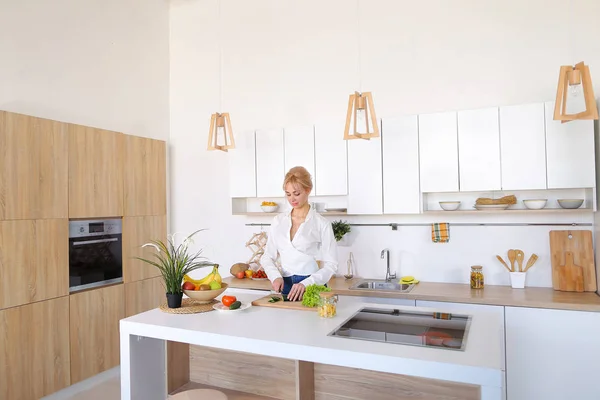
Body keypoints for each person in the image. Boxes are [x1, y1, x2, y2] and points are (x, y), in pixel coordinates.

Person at [260, 166, 338, 301]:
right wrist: (275, 276)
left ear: (308, 190)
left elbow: (332, 264)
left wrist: (306, 283)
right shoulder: (278, 221)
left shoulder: (321, 224)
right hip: (285, 285)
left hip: (312, 284)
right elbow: (267, 256)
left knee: (313, 322)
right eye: (288, 194)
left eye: (296, 194)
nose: (292, 199)